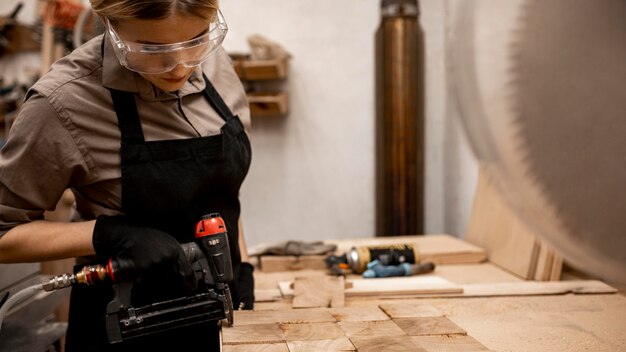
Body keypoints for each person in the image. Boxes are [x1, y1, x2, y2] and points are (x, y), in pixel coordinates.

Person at [0, 0, 253, 350]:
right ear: (110, 23)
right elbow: (4, 233)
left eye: (195, 40)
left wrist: (245, 263)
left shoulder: (214, 62)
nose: (179, 66)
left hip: (220, 319)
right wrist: (109, 235)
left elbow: (221, 187)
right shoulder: (61, 101)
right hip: (126, 326)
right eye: (151, 48)